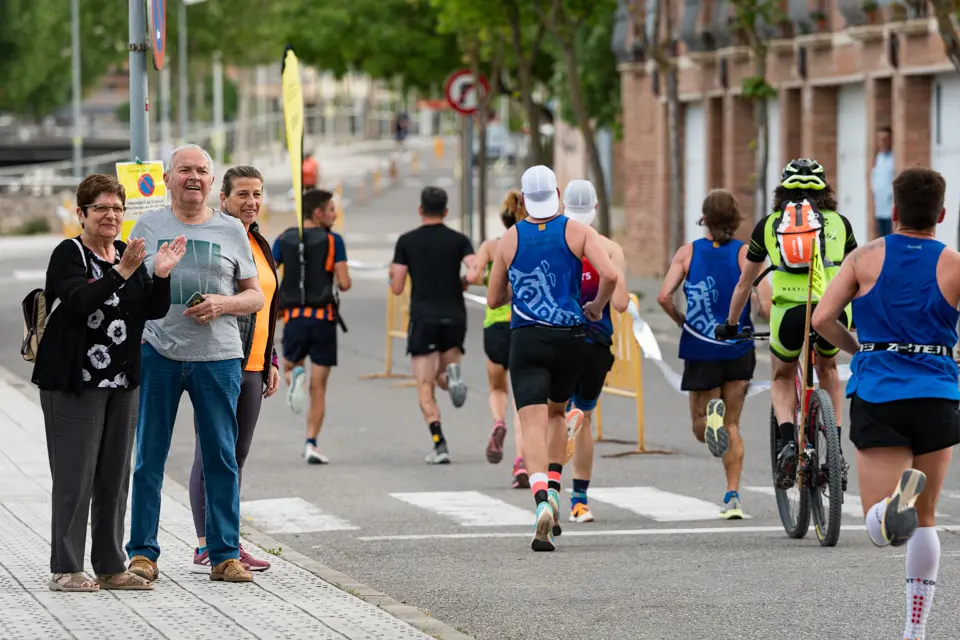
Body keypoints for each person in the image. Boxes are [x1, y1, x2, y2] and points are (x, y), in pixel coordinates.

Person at [812, 166, 958, 640]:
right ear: (941, 212)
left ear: (893, 211)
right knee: (927, 519)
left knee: (881, 527)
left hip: (880, 391)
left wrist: (859, 349)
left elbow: (823, 318)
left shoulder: (865, 258)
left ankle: (892, 503)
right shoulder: (954, 264)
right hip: (937, 394)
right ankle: (915, 630)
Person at [33, 174, 185, 592]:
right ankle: (65, 568)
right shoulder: (70, 253)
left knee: (115, 476)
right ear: (81, 214)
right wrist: (122, 271)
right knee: (74, 475)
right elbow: (80, 301)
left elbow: (149, 309)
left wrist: (162, 275)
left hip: (122, 380)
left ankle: (110, 564)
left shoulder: (125, 252)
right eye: (100, 208)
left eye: (117, 209)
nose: (111, 216)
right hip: (75, 382)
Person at [125, 144, 265, 584]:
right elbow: (129, 290)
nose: (194, 177)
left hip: (218, 358)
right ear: (167, 178)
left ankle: (223, 554)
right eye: (185, 170)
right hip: (159, 353)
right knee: (149, 457)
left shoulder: (231, 230)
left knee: (221, 457)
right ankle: (143, 554)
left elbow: (255, 295)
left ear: (211, 182)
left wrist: (223, 303)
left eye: (202, 171)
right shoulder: (148, 225)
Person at [487, 165, 617, 551]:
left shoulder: (509, 239)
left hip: (526, 340)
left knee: (531, 422)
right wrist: (595, 306)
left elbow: (494, 298)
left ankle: (541, 500)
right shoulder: (577, 231)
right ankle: (558, 492)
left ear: (524, 199)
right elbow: (608, 273)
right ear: (557, 194)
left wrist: (522, 290)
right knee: (559, 413)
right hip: (571, 338)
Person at [716, 158, 856, 491]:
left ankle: (789, 440)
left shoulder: (769, 225)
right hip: (833, 313)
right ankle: (832, 451)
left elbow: (744, 283)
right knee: (829, 370)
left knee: (781, 375)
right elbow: (858, 277)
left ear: (782, 191)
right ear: (826, 191)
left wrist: (732, 323)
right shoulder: (841, 224)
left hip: (788, 315)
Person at [189, 166, 280, 573]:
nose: (252, 202)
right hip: (220, 358)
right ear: (222, 198)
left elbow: (267, 304)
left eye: (257, 194)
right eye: (242, 194)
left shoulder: (259, 241)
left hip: (255, 362)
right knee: (213, 452)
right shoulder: (216, 237)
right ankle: (209, 544)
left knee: (236, 455)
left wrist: (271, 358)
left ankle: (227, 537)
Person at [658, 189, 769, 519]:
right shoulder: (746, 253)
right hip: (738, 347)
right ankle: (733, 496)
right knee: (733, 426)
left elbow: (664, 296)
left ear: (704, 218)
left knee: (699, 426)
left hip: (700, 346)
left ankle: (711, 417)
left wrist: (682, 322)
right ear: (735, 219)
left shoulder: (688, 253)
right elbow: (764, 302)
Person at [559, 179, 629, 524]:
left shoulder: (558, 241)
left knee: (552, 415)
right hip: (596, 342)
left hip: (558, 338)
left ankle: (548, 496)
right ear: (596, 208)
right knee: (584, 420)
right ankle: (580, 502)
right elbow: (620, 302)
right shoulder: (610, 248)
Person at [391, 186, 476, 464]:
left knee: (425, 386)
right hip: (454, 317)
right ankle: (453, 374)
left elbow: (398, 285)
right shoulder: (460, 240)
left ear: (420, 210)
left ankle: (440, 445)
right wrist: (463, 281)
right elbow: (475, 271)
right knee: (443, 377)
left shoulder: (406, 241)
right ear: (446, 211)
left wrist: (394, 276)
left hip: (424, 318)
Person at [273, 188, 351, 464]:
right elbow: (344, 282)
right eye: (331, 210)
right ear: (317, 213)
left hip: (294, 318)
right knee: (319, 387)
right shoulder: (333, 241)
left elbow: (269, 274)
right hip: (324, 320)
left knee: (293, 366)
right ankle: (311, 442)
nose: (334, 214)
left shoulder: (283, 238)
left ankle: (294, 375)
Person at [467, 189, 527, 487]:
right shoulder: (528, 243)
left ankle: (497, 422)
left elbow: (475, 276)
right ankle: (520, 464)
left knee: (496, 386)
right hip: (522, 324)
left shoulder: (491, 246)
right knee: (522, 400)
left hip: (494, 327)